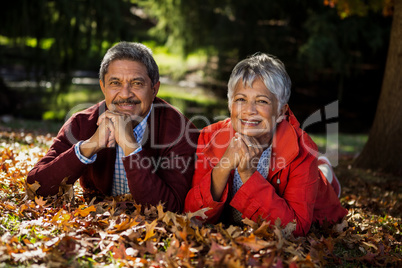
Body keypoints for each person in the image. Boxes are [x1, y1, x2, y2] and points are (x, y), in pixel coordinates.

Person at [184, 53, 348, 236]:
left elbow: (295, 229)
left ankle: (326, 172)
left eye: (262, 101)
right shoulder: (209, 136)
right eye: (240, 99)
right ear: (230, 105)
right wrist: (223, 167)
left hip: (321, 198)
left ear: (280, 111)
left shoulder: (302, 148)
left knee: (323, 181)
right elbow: (192, 215)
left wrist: (248, 175)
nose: (249, 110)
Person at [27, 41, 199, 213]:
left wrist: (131, 148)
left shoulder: (180, 131)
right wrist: (90, 146)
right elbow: (36, 186)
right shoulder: (82, 122)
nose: (125, 94)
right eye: (115, 83)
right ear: (103, 87)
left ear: (154, 89)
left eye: (137, 83)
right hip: (96, 230)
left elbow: (171, 209)